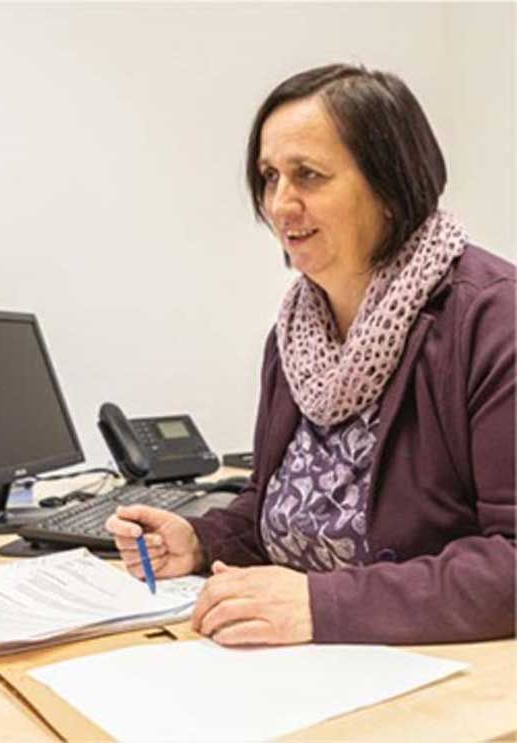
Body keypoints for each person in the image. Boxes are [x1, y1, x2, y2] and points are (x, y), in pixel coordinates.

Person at [106, 63, 515, 646]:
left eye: (309, 176)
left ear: (392, 186)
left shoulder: (494, 320)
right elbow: (277, 506)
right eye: (269, 176)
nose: (279, 204)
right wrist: (200, 541)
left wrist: (322, 604)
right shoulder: (295, 336)